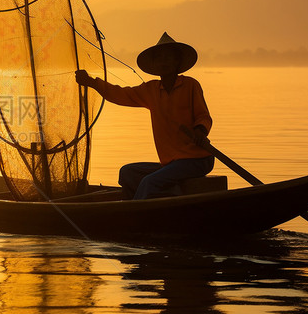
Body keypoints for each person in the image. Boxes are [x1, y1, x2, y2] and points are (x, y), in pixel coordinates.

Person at [75, 32, 214, 200]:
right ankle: (171, 192)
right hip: (170, 163)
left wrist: (200, 131)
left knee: (149, 182)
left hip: (197, 159)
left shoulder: (190, 85)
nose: (164, 62)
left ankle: (133, 215)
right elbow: (120, 94)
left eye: (168, 58)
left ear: (177, 62)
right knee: (127, 173)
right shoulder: (151, 90)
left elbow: (203, 116)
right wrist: (92, 82)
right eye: (160, 58)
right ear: (155, 64)